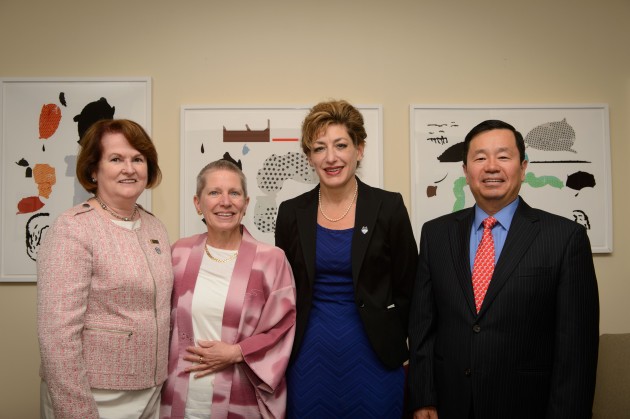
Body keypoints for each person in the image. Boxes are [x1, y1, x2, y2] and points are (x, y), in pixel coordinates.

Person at [407, 119, 600, 419]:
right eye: (480, 157)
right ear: (465, 171)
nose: (491, 167)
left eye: (503, 156)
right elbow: (422, 327)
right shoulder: (435, 235)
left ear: (523, 168)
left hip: (527, 406)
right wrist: (423, 398)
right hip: (449, 405)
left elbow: (576, 350)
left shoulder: (565, 238)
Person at [275, 100, 418, 418]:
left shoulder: (388, 207)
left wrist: (400, 343)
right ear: (310, 157)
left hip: (376, 357)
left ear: (359, 149)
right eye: (319, 148)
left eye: (341, 145)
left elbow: (410, 288)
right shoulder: (290, 213)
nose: (331, 157)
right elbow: (285, 291)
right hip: (308, 358)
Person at [37, 119, 173, 419]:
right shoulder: (73, 228)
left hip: (150, 391)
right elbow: (56, 335)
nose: (129, 168)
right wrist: (77, 409)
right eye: (116, 159)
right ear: (93, 170)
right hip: (95, 395)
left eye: (138, 159)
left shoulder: (154, 227)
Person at [161, 159, 296, 419]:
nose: (225, 201)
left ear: (245, 204)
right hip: (180, 395)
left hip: (240, 397)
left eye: (234, 193)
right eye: (214, 193)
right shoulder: (179, 254)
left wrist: (237, 352)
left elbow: (284, 326)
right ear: (197, 203)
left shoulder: (271, 260)